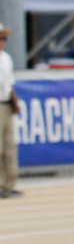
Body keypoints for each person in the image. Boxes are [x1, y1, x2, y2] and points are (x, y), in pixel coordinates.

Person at [0, 24, 22, 199]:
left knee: (9, 146)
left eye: (4, 38)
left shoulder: (6, 58)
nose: (3, 42)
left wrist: (15, 102)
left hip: (6, 104)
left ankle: (9, 184)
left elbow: (10, 83)